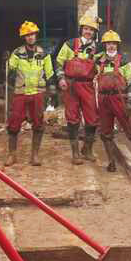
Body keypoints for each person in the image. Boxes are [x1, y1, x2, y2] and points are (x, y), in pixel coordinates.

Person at [95, 30, 131, 172]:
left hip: (119, 98)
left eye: (113, 43)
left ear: (117, 45)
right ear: (104, 45)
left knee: (129, 128)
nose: (110, 46)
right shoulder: (98, 60)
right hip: (103, 99)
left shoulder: (124, 60)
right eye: (108, 43)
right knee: (105, 132)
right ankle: (111, 161)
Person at [5, 21, 55, 166]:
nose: (30, 37)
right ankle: (12, 155)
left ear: (36, 35)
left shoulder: (44, 54)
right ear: (24, 37)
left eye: (32, 34)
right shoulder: (17, 53)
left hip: (38, 92)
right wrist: (7, 62)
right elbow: (10, 70)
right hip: (21, 92)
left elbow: (50, 72)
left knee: (38, 123)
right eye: (27, 35)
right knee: (14, 123)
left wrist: (51, 88)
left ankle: (35, 155)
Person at [56, 13, 101, 164]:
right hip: (71, 86)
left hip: (88, 86)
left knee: (92, 119)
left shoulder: (98, 48)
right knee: (72, 118)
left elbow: (103, 67)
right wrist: (61, 78)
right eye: (86, 29)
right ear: (81, 30)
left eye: (91, 30)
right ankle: (75, 153)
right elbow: (59, 63)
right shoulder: (69, 44)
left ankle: (87, 149)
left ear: (94, 33)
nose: (88, 32)